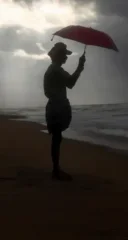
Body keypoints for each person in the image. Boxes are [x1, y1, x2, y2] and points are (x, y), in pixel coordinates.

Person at [44, 42, 86, 181]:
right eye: (64, 55)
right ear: (59, 55)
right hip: (56, 108)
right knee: (57, 138)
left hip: (54, 107)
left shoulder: (52, 69)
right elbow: (71, 83)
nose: (66, 58)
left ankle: (56, 169)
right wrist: (80, 66)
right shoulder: (56, 70)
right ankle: (56, 170)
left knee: (57, 138)